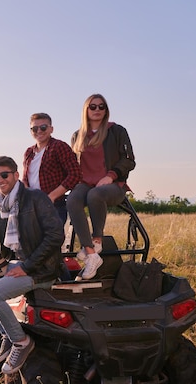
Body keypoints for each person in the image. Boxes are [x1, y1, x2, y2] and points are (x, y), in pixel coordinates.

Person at [0, 156, 64, 374]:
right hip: (13, 264)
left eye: (4, 175)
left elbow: (56, 236)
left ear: (16, 175)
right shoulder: (0, 204)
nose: (0, 180)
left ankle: (21, 341)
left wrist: (27, 267)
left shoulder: (36, 198)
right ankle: (8, 333)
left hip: (40, 269)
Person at [67, 94, 136, 281]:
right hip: (85, 183)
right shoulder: (77, 136)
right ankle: (91, 253)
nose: (97, 110)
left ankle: (97, 239)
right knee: (72, 200)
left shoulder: (116, 131)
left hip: (113, 185)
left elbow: (129, 160)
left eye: (101, 106)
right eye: (93, 106)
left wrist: (111, 175)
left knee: (95, 195)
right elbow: (72, 166)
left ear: (106, 110)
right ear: (86, 110)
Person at [23, 112, 82, 224]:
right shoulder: (28, 152)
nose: (39, 131)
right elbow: (26, 179)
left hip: (54, 206)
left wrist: (51, 197)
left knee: (52, 239)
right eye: (34, 129)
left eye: (43, 127)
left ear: (51, 129)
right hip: (33, 207)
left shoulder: (59, 146)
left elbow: (75, 174)